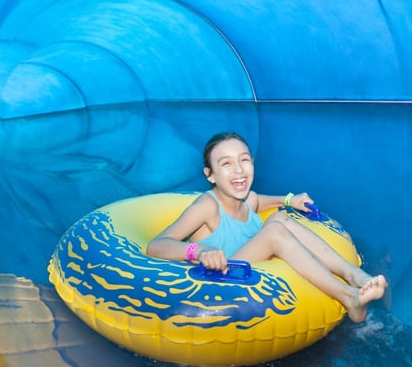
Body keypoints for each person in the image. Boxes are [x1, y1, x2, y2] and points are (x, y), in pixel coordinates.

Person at [146, 132, 387, 323]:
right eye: (226, 163)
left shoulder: (248, 200)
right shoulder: (207, 206)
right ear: (210, 175)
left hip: (245, 267)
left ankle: (354, 274)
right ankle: (348, 297)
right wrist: (198, 251)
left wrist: (290, 200)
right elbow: (157, 245)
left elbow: (262, 201)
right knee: (274, 232)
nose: (238, 170)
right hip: (220, 280)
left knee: (279, 218)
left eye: (244, 160)